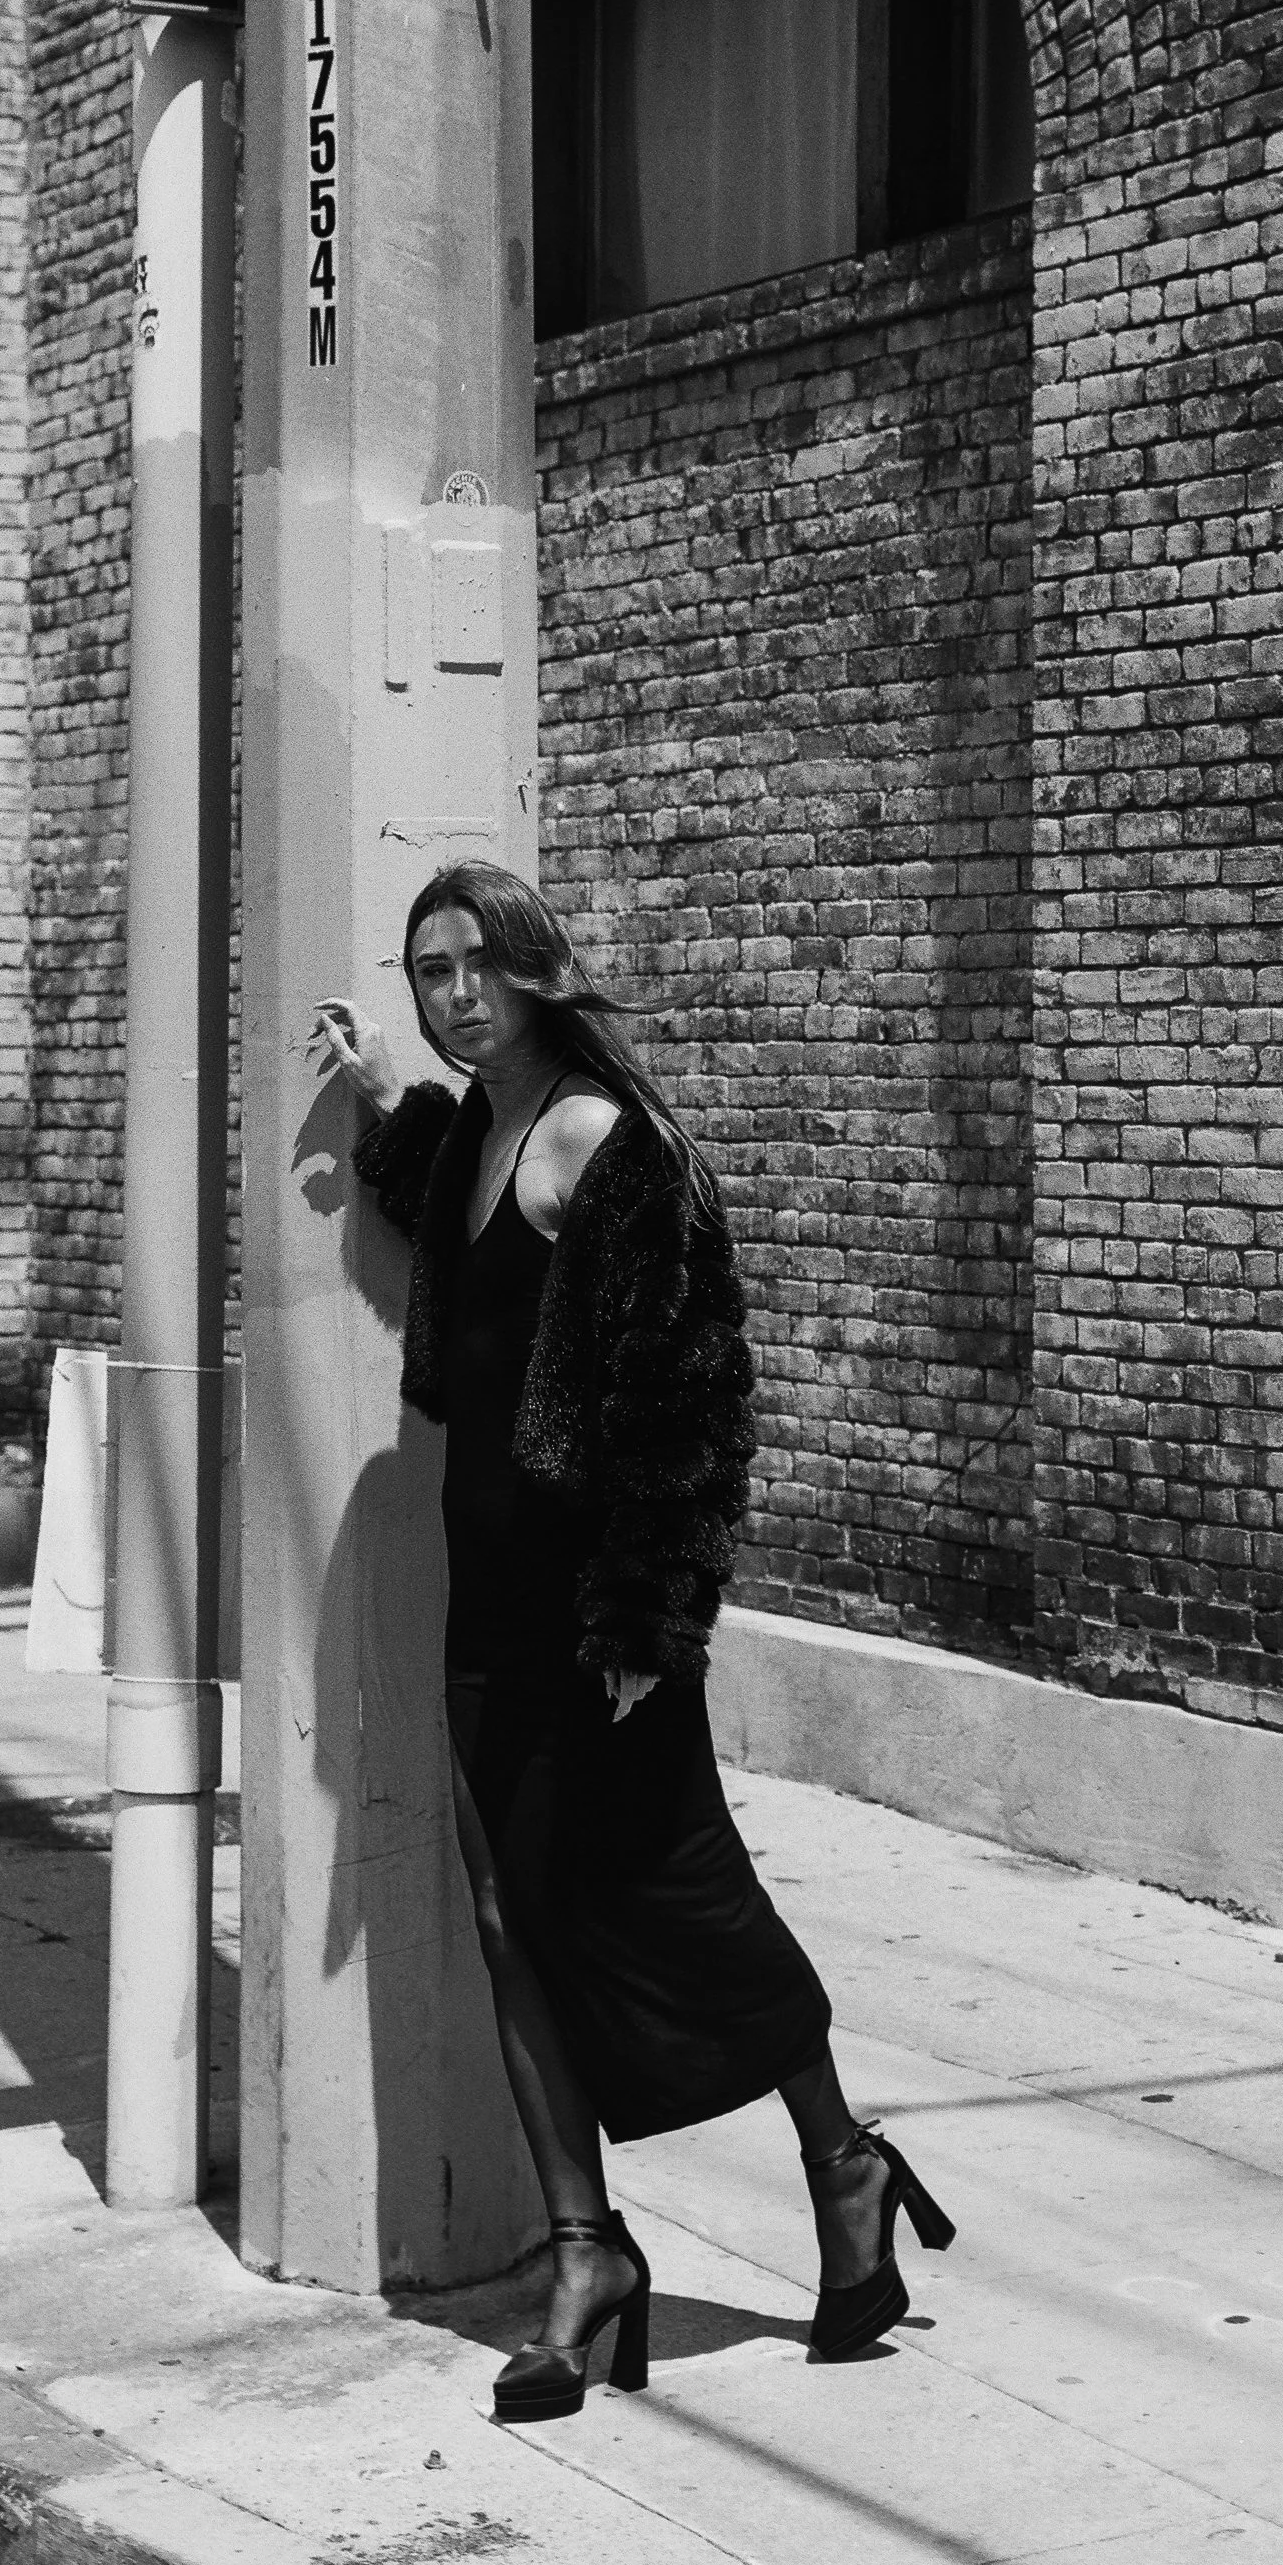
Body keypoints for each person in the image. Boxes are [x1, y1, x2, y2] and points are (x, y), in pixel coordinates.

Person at [309, 861, 953, 2424]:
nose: (452, 993)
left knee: (682, 1891)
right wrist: (381, 1108)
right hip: (491, 1593)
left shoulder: (605, 1140)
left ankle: (843, 2160)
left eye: (475, 967)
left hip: (602, 1615)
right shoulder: (473, 1136)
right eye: (426, 973)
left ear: (535, 972)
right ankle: (587, 2250)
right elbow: (468, 1293)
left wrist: (652, 1619)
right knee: (507, 1911)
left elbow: (692, 1403)